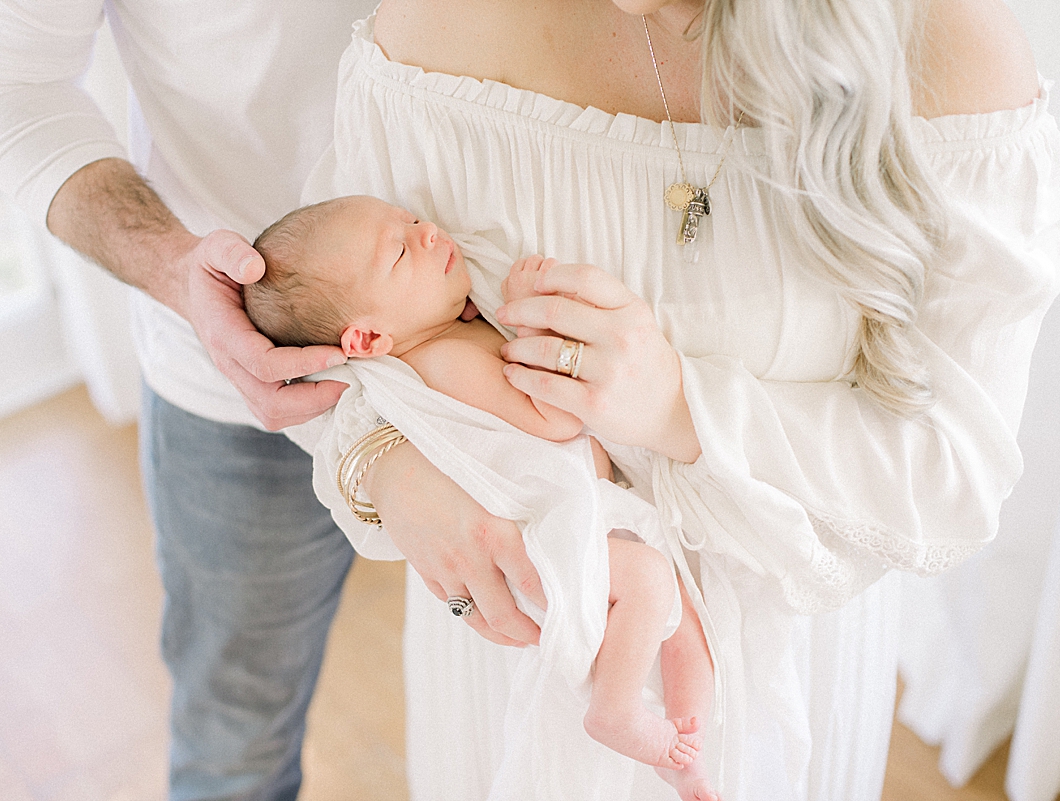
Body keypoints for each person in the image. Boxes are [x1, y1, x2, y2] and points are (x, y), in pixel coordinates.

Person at [290, 0, 1059, 798]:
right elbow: (337, 331)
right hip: (520, 650)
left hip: (780, 654)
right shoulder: (433, 28)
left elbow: (953, 474)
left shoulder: (951, 56)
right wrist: (385, 467)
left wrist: (679, 409)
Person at [0, 1, 390, 799]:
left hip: (534, 331)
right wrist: (177, 269)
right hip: (245, 378)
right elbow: (3, 81)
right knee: (236, 744)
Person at [242, 193, 718, 798]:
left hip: (569, 524)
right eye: (400, 252)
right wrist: (529, 323)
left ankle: (686, 743)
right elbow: (555, 422)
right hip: (538, 545)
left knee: (681, 617)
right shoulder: (446, 361)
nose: (429, 234)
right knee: (651, 585)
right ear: (366, 337)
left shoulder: (445, 342)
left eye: (412, 222)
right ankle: (616, 711)